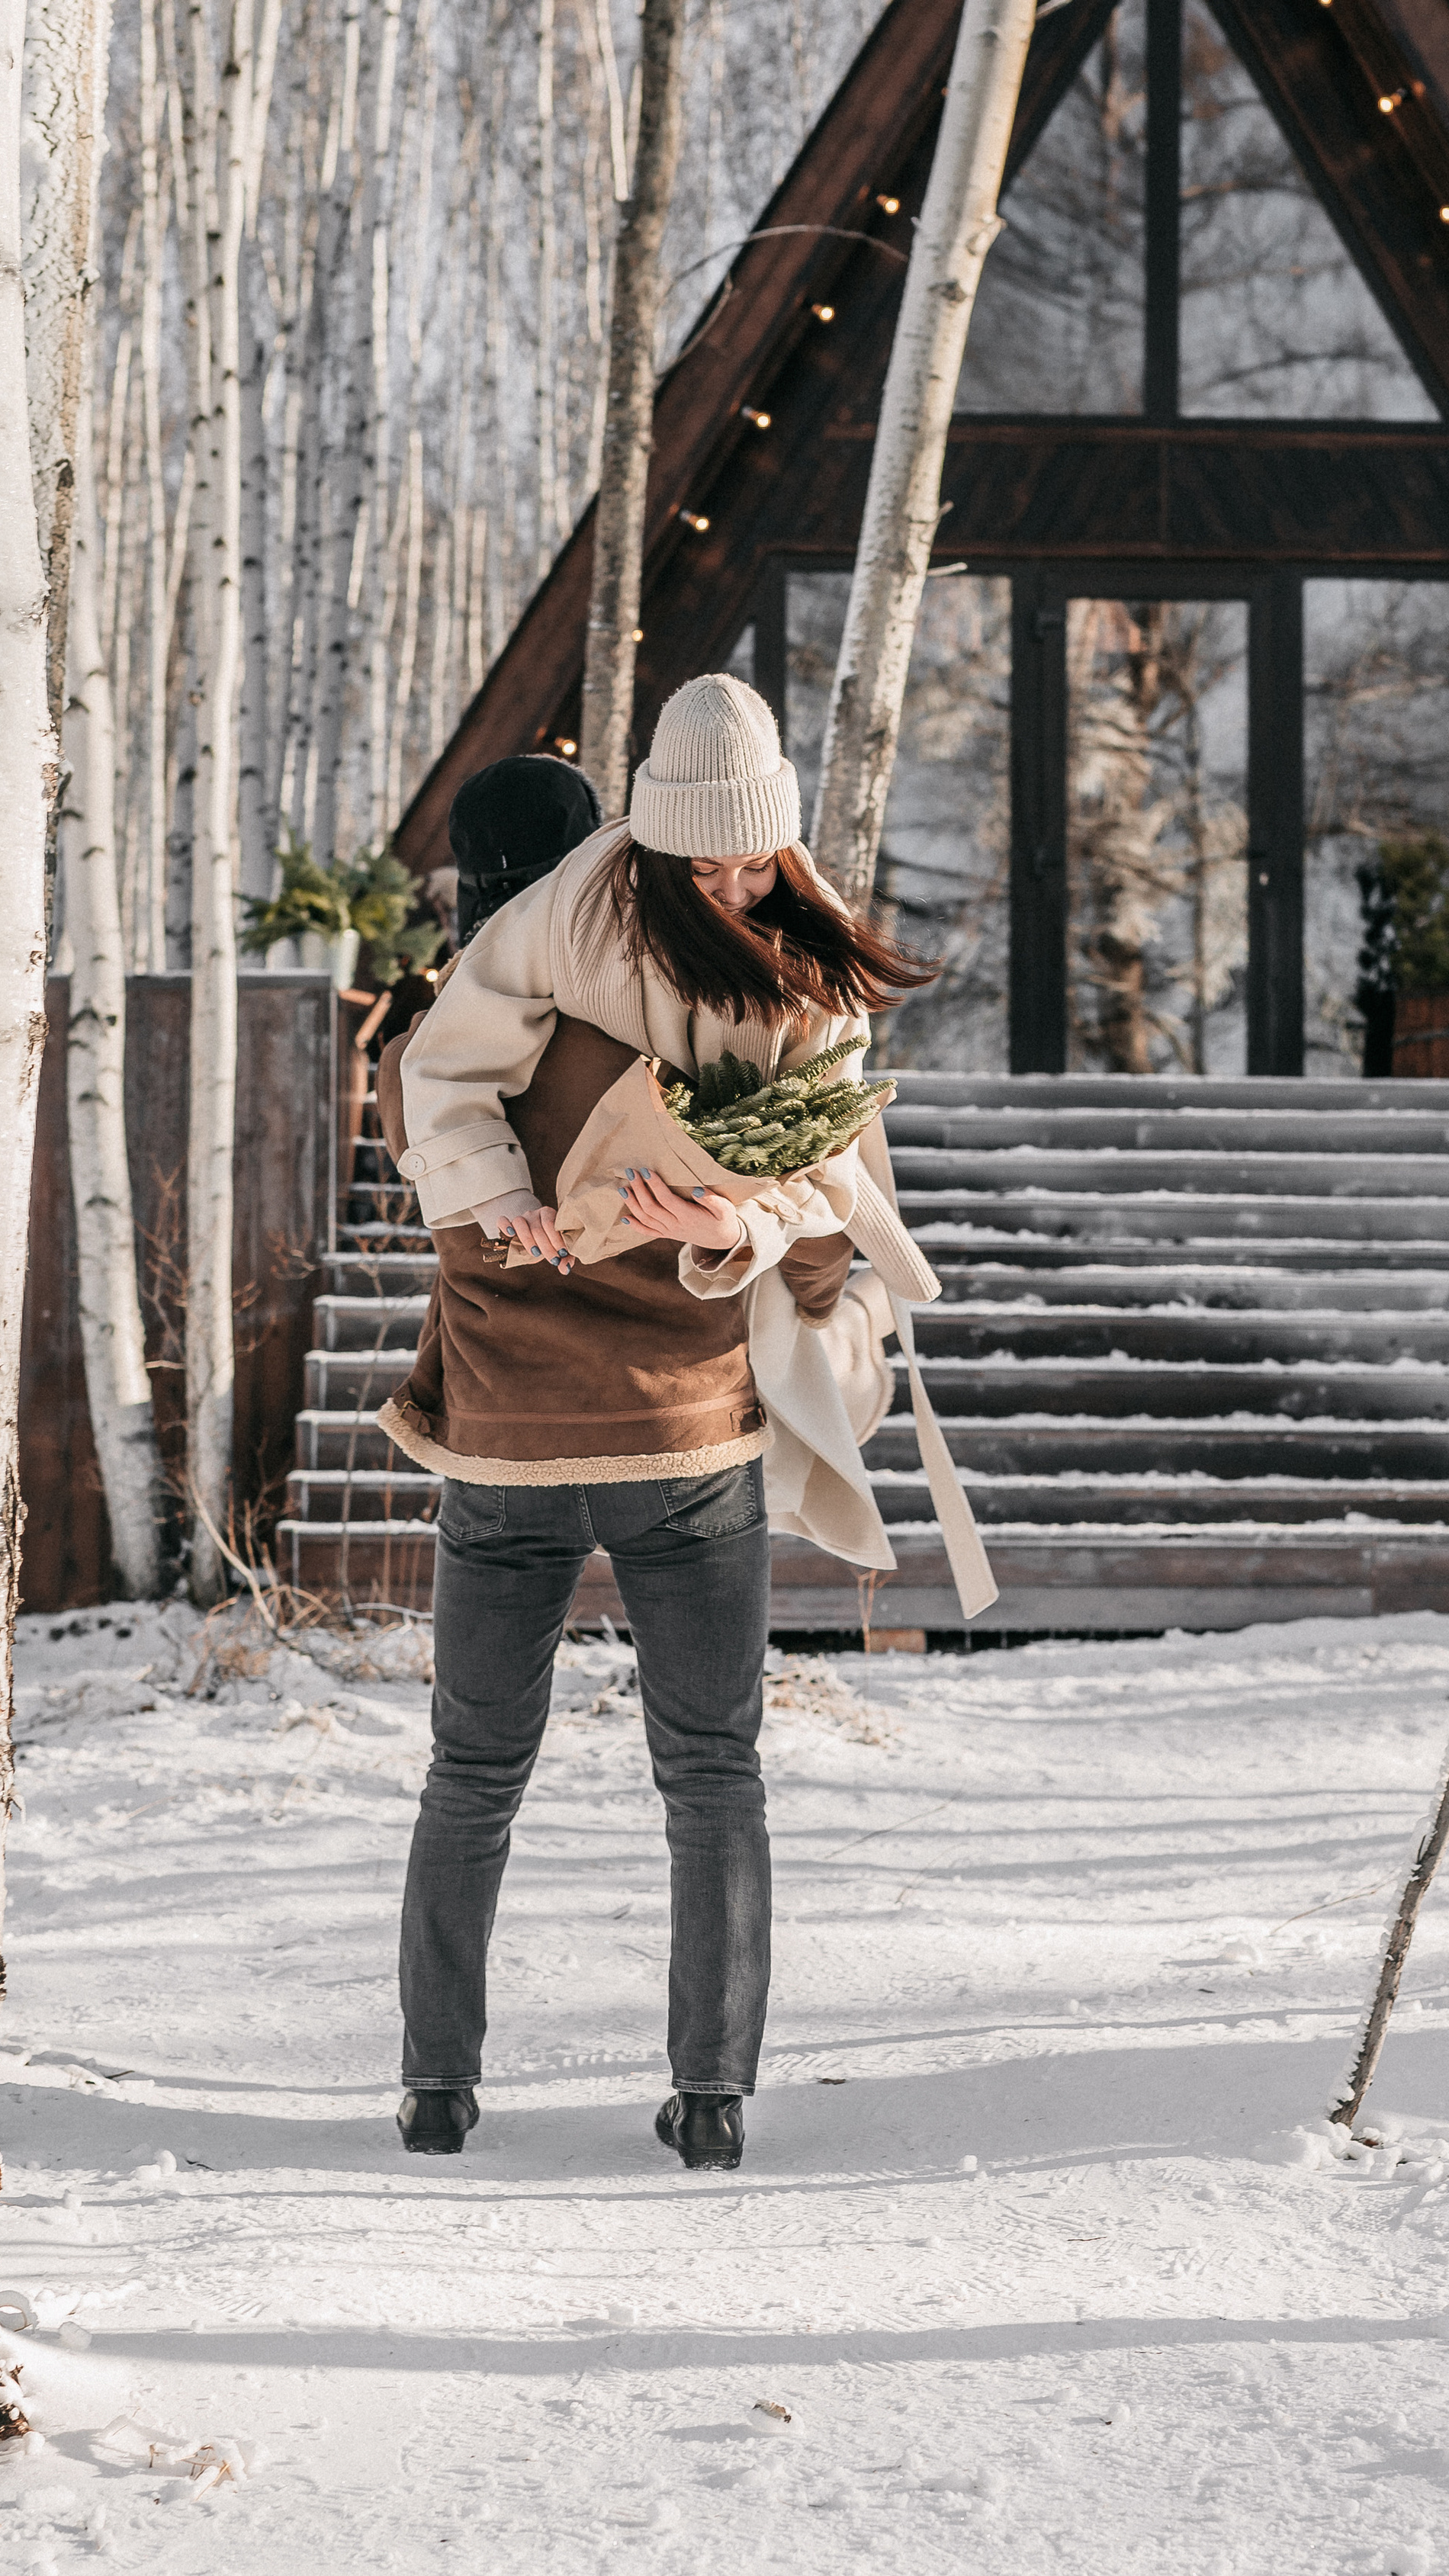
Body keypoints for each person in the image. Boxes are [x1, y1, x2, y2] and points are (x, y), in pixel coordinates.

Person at [378, 679, 933, 2171]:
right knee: (712, 1768)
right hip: (685, 1441)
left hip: (504, 1443)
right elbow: (826, 1241)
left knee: (470, 1768)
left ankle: (436, 2084)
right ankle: (712, 2096)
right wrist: (740, 1235)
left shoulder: (449, 1039)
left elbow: (463, 1206)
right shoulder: (758, 1007)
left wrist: (529, 1223)